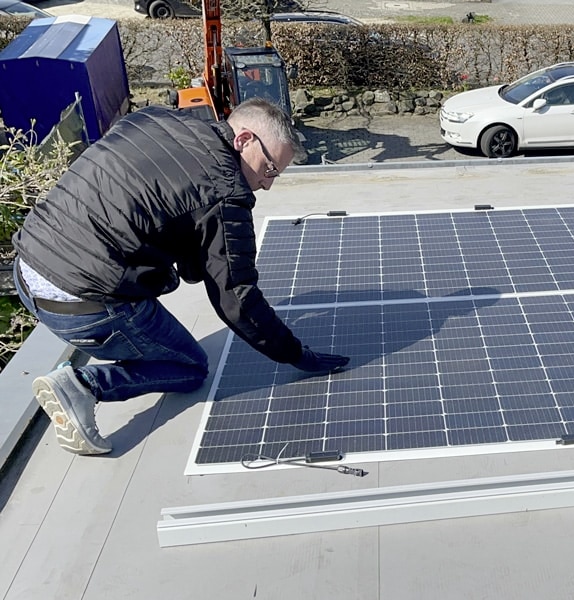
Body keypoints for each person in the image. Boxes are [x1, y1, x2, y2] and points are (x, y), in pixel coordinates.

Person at [12, 98, 349, 456]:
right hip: (83, 304)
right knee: (190, 367)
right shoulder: (226, 192)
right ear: (243, 140)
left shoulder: (156, 118)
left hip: (29, 265)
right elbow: (236, 299)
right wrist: (294, 354)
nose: (267, 185)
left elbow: (155, 202)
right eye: (269, 169)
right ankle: (82, 384)